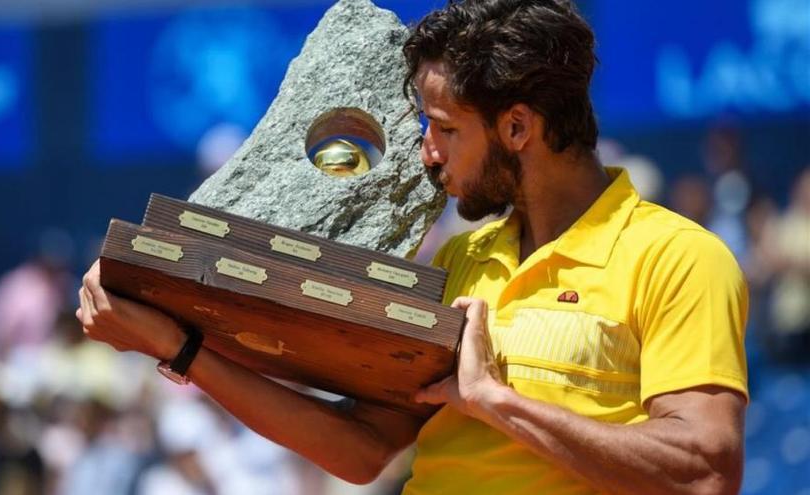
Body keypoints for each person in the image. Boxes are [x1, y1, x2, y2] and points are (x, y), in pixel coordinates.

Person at [76, 1, 749, 494]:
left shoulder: (681, 258)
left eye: (445, 129)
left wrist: (496, 400)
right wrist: (180, 346)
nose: (427, 155)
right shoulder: (456, 264)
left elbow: (704, 470)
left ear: (517, 126)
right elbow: (365, 447)